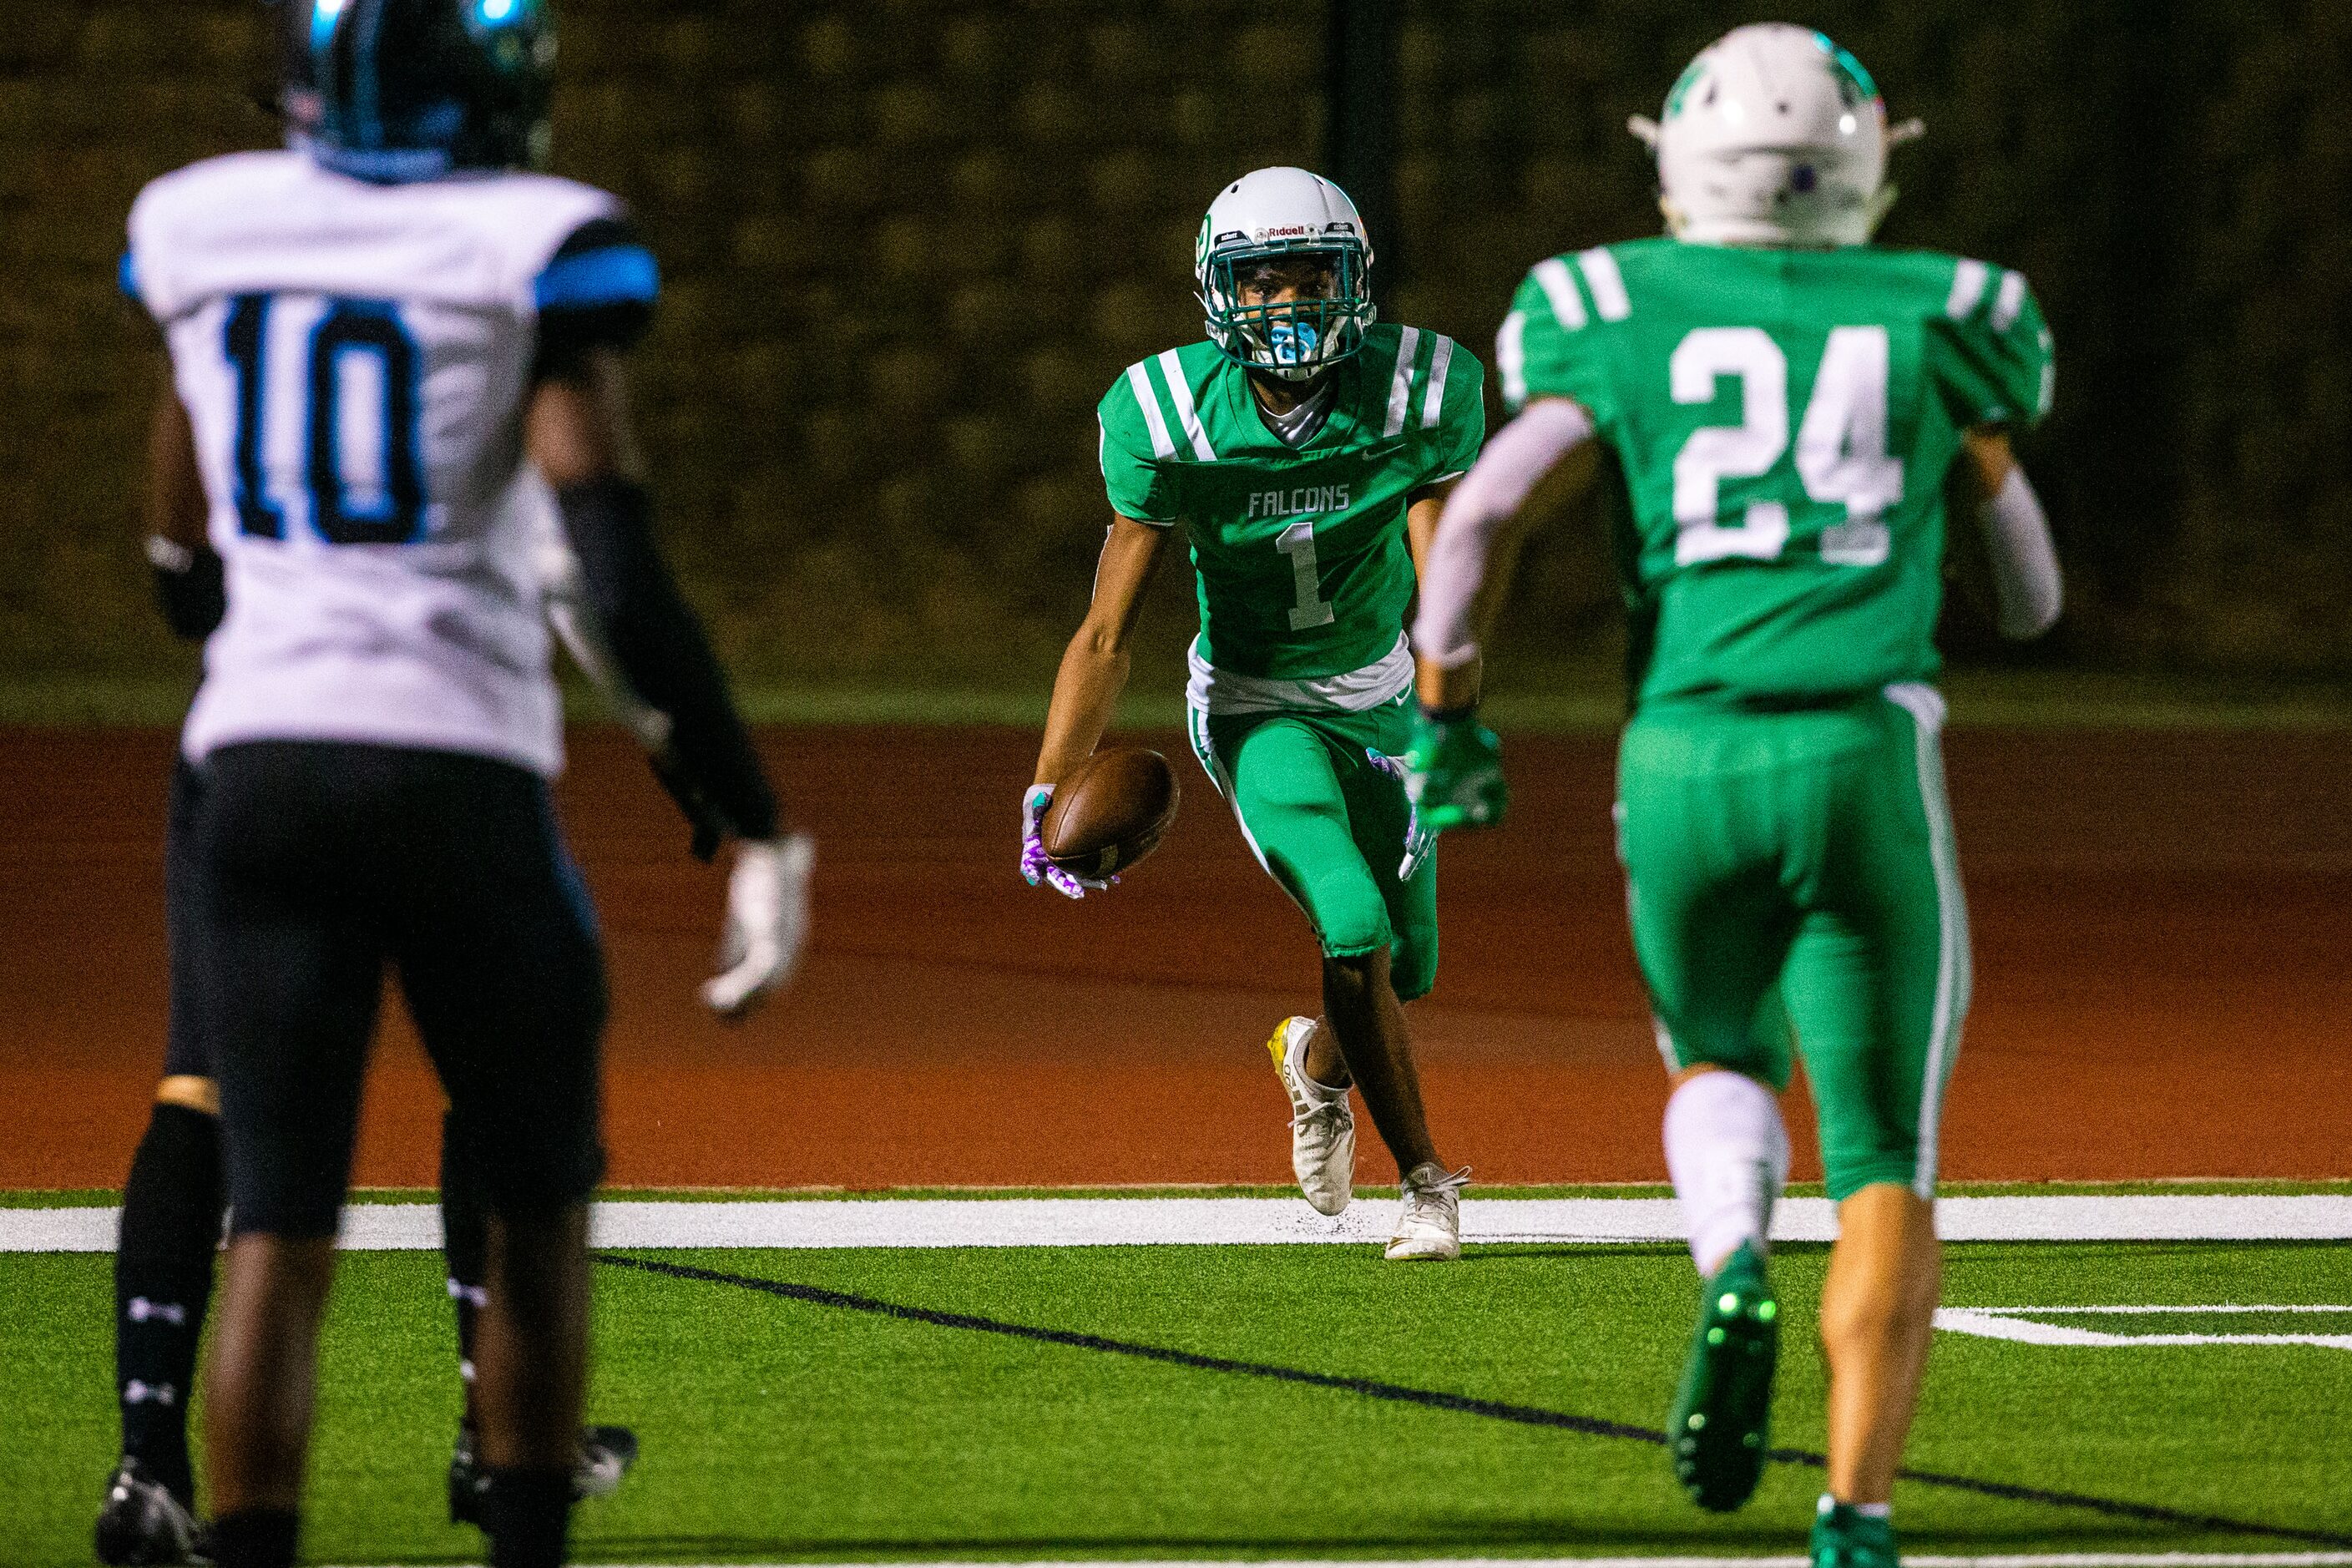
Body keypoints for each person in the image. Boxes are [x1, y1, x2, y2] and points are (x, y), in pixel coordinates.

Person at [114, 2, 812, 1565]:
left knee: (280, 1232)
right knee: (536, 1198)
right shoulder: (533, 239)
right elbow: (614, 569)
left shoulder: (201, 222)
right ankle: (517, 1535)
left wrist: (235, 611)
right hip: (454, 763)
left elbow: (177, 552)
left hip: (260, 763)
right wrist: (751, 804)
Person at [1402, 26, 2061, 1568]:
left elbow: (1486, 510)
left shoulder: (1606, 305)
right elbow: (2032, 602)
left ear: (1681, 159)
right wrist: (1966, 466)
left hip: (1681, 749)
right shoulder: (1944, 319)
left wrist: (1445, 712)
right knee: (1887, 1151)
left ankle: (1726, 1261)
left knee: (1713, 1053)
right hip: (1861, 749)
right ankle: (1856, 1510)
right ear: (1864, 163)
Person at [95, 480, 706, 1565]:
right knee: (501, 1079)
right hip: (439, 737)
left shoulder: (238, 310)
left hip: (251, 743)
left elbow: (181, 569)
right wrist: (685, 751)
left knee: (204, 1090)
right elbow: (575, 566)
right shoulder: (484, 316)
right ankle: (500, 1447)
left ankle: (150, 1467)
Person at [1024, 167, 1484, 1260]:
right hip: (1251, 703)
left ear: (1353, 278)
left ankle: (1319, 1063)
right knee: (1350, 917)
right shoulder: (1170, 413)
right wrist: (1050, 782)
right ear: (1217, 288)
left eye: (1309, 275)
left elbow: (1446, 568)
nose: (1286, 303)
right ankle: (1427, 1185)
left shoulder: (1416, 389)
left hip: (1380, 698)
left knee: (1403, 968)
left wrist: (1450, 703)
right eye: (1260, 280)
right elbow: (1103, 633)